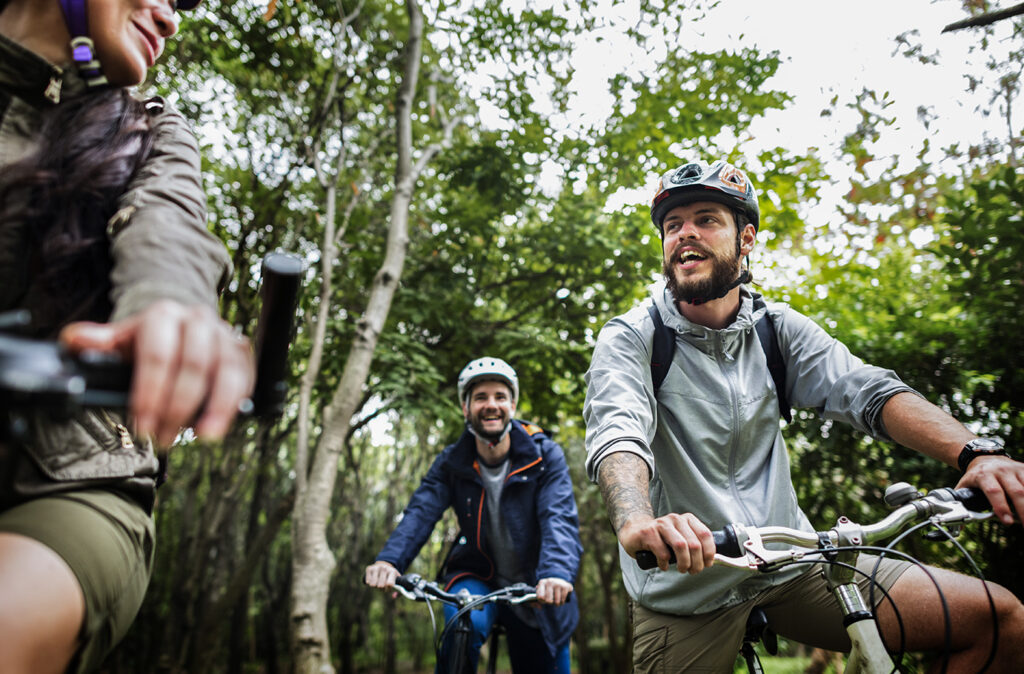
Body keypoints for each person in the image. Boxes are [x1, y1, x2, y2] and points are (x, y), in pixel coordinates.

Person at [583, 158, 1024, 672]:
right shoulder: (633, 336)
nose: (685, 234)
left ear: (745, 239)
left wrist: (977, 452)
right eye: (673, 225)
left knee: (1001, 618)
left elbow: (866, 390)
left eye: (706, 219)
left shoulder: (777, 329)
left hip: (791, 565)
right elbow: (619, 430)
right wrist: (638, 522)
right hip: (687, 583)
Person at [0, 1, 253, 672]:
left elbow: (169, 226)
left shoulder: (149, 128)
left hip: (65, 479)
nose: (170, 18)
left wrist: (171, 306)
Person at [364, 357, 582, 673]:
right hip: (478, 573)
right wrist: (389, 561)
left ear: (513, 405)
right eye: (480, 397)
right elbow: (421, 512)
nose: (490, 405)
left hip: (539, 581)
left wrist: (556, 573)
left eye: (499, 397)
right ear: (466, 408)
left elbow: (558, 517)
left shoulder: (544, 455)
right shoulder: (452, 461)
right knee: (460, 622)